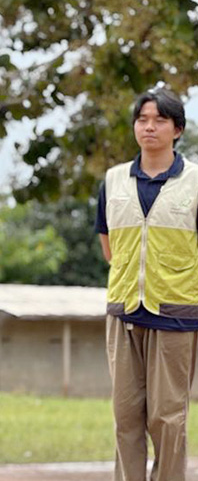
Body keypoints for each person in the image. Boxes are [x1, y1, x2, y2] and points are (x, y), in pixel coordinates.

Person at [96, 89, 198, 481]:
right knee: (125, 417)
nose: (149, 127)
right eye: (142, 119)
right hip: (123, 311)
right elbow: (110, 247)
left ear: (178, 129)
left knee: (167, 418)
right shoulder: (113, 180)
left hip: (176, 314)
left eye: (159, 120)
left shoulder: (193, 182)